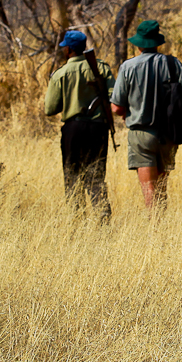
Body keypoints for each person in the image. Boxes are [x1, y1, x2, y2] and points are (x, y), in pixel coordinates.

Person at [110, 20, 182, 210]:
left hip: (141, 134)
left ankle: (155, 231)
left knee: (149, 192)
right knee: (162, 189)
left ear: (138, 43)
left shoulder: (128, 67)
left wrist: (127, 112)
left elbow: (116, 108)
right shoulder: (173, 64)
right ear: (157, 41)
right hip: (168, 133)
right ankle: (162, 227)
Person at [44, 30, 116, 222]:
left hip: (72, 130)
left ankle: (77, 220)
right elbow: (114, 96)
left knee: (72, 177)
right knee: (96, 177)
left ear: (68, 50)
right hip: (97, 129)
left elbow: (50, 108)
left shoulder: (60, 74)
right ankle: (103, 219)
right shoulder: (101, 68)